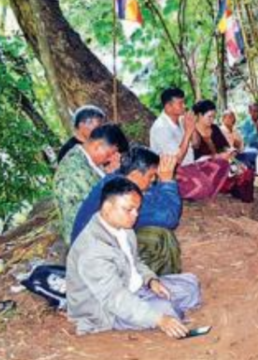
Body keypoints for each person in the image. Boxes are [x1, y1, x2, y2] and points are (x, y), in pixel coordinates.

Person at [67, 178, 200, 337]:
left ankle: (156, 307)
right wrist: (159, 319)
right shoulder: (93, 250)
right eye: (129, 209)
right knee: (165, 309)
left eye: (137, 209)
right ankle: (159, 310)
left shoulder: (124, 229)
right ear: (108, 207)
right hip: (107, 311)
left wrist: (151, 280)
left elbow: (135, 262)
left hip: (134, 288)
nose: (135, 215)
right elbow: (115, 298)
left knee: (191, 284)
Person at [71, 147, 183, 276]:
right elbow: (169, 218)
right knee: (160, 237)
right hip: (95, 262)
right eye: (151, 176)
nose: (153, 180)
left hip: (98, 249)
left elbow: (153, 198)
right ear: (135, 174)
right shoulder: (123, 195)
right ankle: (138, 283)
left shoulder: (120, 180)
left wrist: (163, 182)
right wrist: (167, 182)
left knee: (159, 234)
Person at [150, 87, 230, 201]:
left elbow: (196, 145)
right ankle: (173, 190)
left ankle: (204, 191)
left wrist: (192, 128)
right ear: (168, 107)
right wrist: (187, 133)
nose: (185, 106)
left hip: (191, 165)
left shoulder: (182, 120)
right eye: (180, 103)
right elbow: (177, 161)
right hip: (173, 171)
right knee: (202, 186)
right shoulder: (160, 127)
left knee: (223, 164)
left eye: (184, 102)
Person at [55, 124, 129, 245]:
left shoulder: (86, 158)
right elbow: (99, 203)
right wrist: (113, 175)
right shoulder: (75, 168)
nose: (110, 159)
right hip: (84, 237)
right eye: (110, 154)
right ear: (98, 145)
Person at [190, 100, 254, 203]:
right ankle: (228, 186)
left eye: (213, 117)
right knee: (225, 168)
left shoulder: (214, 128)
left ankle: (240, 193)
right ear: (200, 115)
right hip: (203, 166)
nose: (212, 120)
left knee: (246, 170)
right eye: (209, 117)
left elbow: (224, 146)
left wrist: (230, 151)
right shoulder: (193, 131)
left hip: (222, 160)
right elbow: (195, 157)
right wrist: (217, 156)